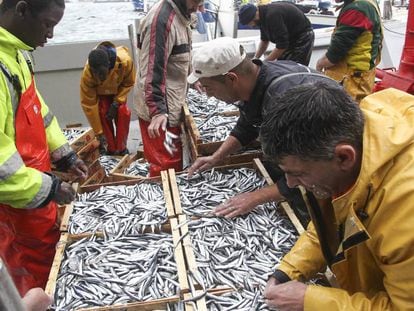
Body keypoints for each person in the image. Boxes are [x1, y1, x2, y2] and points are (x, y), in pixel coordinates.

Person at [260, 82, 414, 310]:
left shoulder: (405, 215)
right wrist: (288, 271)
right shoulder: (362, 138)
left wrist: (310, 301)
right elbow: (337, 220)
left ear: (344, 157)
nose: (290, 184)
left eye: (298, 173)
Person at [187, 37, 338, 226]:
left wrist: (254, 198)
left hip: (334, 177)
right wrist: (217, 157)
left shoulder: (285, 103)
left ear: (231, 78)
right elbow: (247, 124)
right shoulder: (259, 77)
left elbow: (309, 170)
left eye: (208, 87)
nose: (208, 95)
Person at [0, 0, 88, 295]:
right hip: (13, 208)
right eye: (48, 24)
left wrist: (63, 153)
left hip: (35, 191)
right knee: (34, 282)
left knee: (52, 267)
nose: (50, 35)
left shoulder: (17, 53)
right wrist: (50, 188)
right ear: (22, 10)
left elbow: (36, 108)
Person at [134, 0, 204, 177]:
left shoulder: (181, 13)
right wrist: (158, 111)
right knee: (165, 167)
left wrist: (193, 78)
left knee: (173, 161)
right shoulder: (161, 22)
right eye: (197, 1)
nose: (200, 8)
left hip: (172, 103)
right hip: (160, 111)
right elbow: (151, 70)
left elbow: (179, 55)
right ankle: (164, 202)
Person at [316, 0, 382, 102]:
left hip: (351, 80)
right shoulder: (366, 3)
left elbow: (334, 55)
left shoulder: (357, 9)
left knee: (342, 115)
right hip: (362, 76)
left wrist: (319, 65)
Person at [80, 41, 135, 156]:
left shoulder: (125, 61)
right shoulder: (88, 74)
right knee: (102, 111)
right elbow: (89, 104)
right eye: (95, 74)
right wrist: (99, 133)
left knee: (123, 112)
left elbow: (129, 83)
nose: (99, 78)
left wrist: (116, 103)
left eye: (101, 74)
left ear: (109, 65)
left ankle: (121, 149)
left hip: (118, 91)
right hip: (101, 94)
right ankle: (110, 148)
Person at [238, 2, 314, 65]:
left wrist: (265, 63)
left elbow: (282, 46)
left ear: (252, 18)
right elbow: (264, 41)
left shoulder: (272, 15)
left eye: (249, 23)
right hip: (290, 38)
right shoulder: (262, 17)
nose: (250, 26)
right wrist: (256, 58)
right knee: (282, 66)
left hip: (303, 37)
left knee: (294, 68)